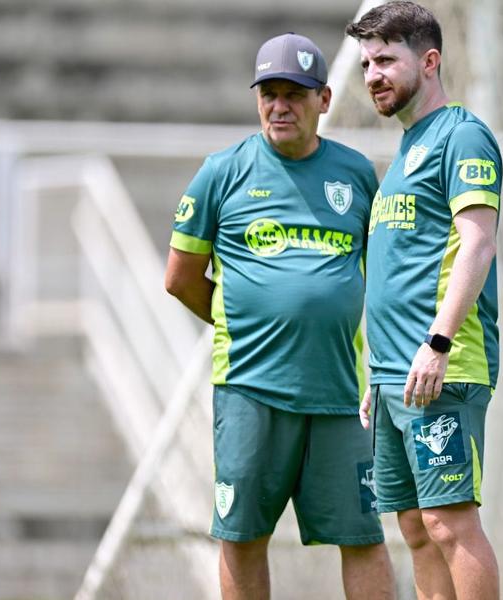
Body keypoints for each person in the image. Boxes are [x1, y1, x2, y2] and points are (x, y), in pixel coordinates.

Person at [164, 32, 394, 600]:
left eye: (295, 93)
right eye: (269, 93)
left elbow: (381, 276)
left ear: (325, 100)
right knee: (242, 536)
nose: (279, 106)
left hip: (339, 393)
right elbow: (179, 278)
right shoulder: (222, 173)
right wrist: (243, 322)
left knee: (362, 534)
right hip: (250, 389)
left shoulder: (357, 174)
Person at [346, 3, 503, 599]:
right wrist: (377, 372)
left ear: (429, 60)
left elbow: (478, 242)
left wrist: (436, 345)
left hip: (442, 366)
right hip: (392, 377)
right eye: (366, 63)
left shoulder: (462, 136)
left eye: (386, 59)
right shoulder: (407, 151)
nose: (373, 75)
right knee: (413, 527)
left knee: (449, 521)